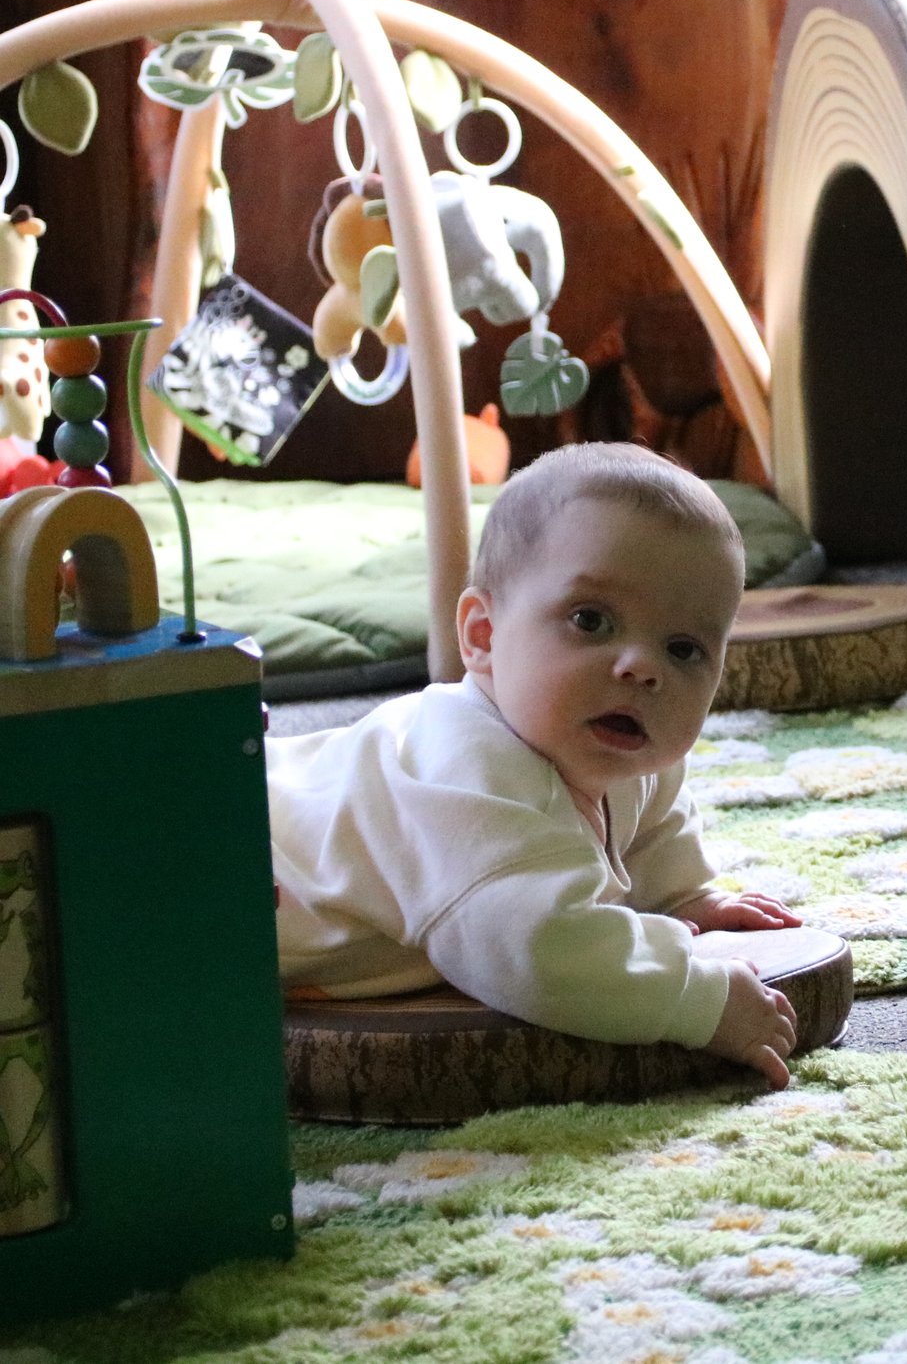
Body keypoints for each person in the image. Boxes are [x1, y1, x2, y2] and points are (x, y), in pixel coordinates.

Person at [268, 442, 806, 1083]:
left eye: (684, 650)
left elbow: (655, 824)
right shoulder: (467, 777)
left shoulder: (631, 754)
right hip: (217, 868)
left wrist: (681, 894)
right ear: (483, 636)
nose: (641, 668)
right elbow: (542, 953)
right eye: (591, 620)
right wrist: (698, 999)